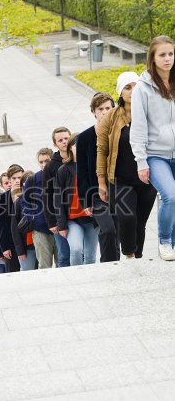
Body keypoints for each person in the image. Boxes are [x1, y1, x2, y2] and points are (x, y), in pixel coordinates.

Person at [97, 72, 157, 259]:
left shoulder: (151, 112)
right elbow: (102, 150)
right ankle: (129, 254)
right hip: (121, 179)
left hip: (147, 178)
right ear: (120, 92)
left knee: (140, 222)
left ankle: (137, 257)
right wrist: (101, 182)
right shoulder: (111, 117)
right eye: (127, 87)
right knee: (127, 217)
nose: (133, 91)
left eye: (136, 86)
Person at [131, 35, 175, 261]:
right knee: (171, 196)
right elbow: (137, 128)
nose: (168, 59)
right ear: (153, 58)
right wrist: (141, 162)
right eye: (162, 55)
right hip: (156, 155)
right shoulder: (143, 89)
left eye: (171, 54)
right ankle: (165, 240)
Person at [76, 92, 120, 262]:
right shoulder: (85, 137)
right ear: (94, 112)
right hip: (96, 194)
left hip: (119, 190)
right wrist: (85, 201)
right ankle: (108, 265)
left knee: (115, 231)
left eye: (108, 108)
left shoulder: (120, 132)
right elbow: (82, 172)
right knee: (108, 229)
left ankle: (115, 265)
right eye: (100, 109)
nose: (104, 112)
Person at [56, 134, 99, 266]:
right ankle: (77, 278)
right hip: (73, 220)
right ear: (70, 148)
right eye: (76, 144)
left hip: (91, 219)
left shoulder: (91, 166)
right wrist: (61, 225)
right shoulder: (63, 170)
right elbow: (58, 199)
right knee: (76, 249)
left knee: (90, 257)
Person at [21, 148, 57, 269]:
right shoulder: (32, 180)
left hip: (61, 228)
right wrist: (33, 218)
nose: (43, 165)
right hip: (41, 230)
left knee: (63, 263)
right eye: (41, 162)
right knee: (44, 267)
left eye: (46, 161)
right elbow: (25, 203)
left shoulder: (60, 174)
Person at [42, 127, 71, 267]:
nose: (64, 142)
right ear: (55, 144)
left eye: (66, 138)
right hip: (59, 217)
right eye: (60, 140)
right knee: (64, 254)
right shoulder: (50, 167)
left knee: (81, 251)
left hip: (78, 213)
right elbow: (46, 195)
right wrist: (51, 222)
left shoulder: (79, 157)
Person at [0, 165, 24, 273]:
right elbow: (0, 226)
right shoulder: (2, 199)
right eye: (14, 178)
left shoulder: (28, 194)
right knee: (13, 272)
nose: (17, 181)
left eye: (20, 178)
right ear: (10, 180)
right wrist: (4, 247)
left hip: (26, 242)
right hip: (10, 244)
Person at [11, 171, 37, 271]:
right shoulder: (18, 202)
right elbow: (14, 228)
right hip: (26, 247)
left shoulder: (42, 199)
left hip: (41, 243)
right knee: (28, 272)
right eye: (26, 183)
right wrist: (20, 251)